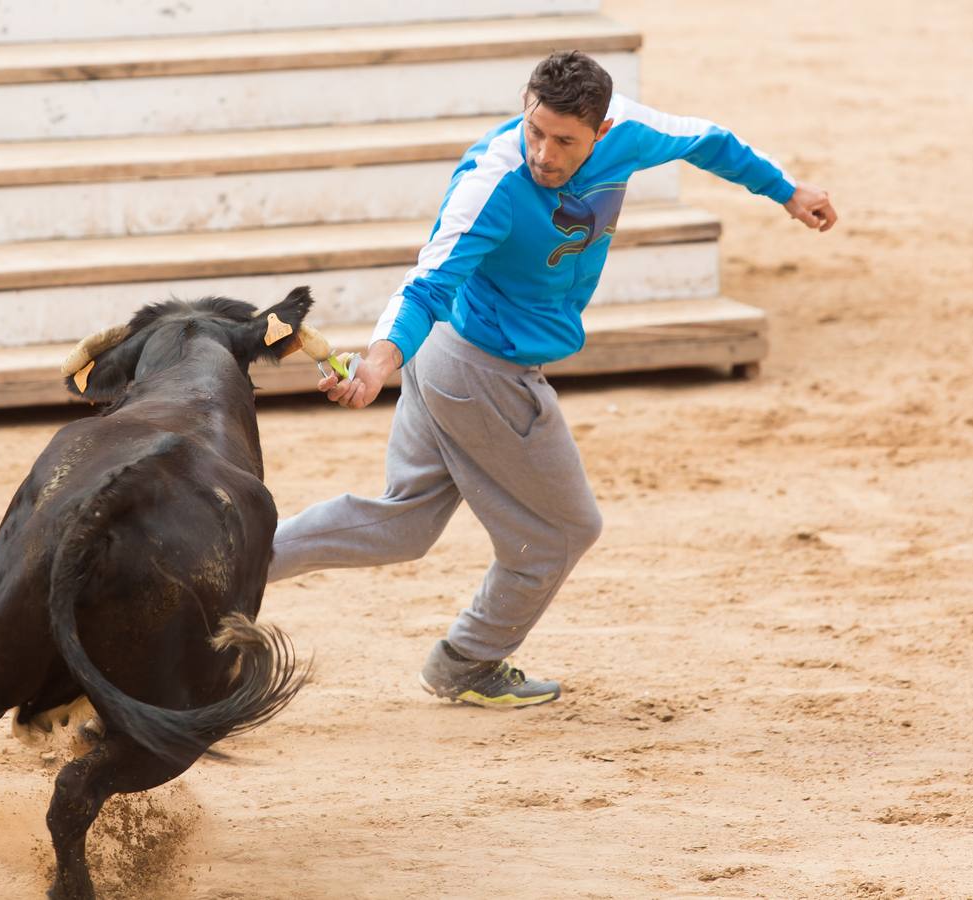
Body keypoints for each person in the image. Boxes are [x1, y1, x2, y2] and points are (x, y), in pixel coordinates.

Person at [270, 50, 838, 709]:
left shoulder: (629, 133)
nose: (543, 152)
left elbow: (709, 140)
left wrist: (787, 192)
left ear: (599, 132)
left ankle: (228, 567)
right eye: (534, 130)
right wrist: (377, 363)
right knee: (563, 532)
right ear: (525, 108)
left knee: (402, 523)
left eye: (564, 141)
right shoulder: (491, 179)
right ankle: (469, 660)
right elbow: (426, 284)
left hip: (459, 360)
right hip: (478, 367)